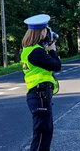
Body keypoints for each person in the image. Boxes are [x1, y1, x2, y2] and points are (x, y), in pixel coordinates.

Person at [21, 14, 61, 151]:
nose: (47, 33)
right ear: (41, 32)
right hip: (39, 95)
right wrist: (53, 51)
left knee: (45, 133)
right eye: (45, 31)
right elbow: (56, 65)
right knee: (42, 134)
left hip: (40, 95)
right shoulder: (35, 52)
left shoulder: (32, 50)